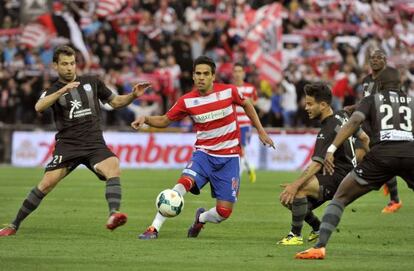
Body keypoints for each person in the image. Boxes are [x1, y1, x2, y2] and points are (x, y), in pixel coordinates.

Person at [0, 45, 151, 237]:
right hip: (68, 145)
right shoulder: (53, 89)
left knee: (113, 165)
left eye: (72, 63)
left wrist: (132, 96)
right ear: (55, 66)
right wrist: (62, 91)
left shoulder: (92, 82)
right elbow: (39, 106)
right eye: (64, 64)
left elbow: (114, 102)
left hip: (94, 143)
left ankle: (113, 214)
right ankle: (13, 225)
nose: (70, 68)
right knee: (46, 184)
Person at [133, 56, 275, 240]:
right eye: (198, 74)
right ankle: (153, 228)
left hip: (229, 159)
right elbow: (164, 120)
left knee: (223, 212)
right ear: (193, 76)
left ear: (213, 76)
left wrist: (261, 131)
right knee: (183, 183)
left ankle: (201, 218)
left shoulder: (229, 92)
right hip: (204, 155)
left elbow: (247, 104)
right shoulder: (186, 101)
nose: (201, 77)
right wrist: (146, 119)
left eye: (205, 74)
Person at [295, 88, 414, 259]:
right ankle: (394, 199)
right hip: (410, 152)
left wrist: (332, 148)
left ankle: (319, 247)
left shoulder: (371, 99)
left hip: (381, 154)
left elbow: (354, 122)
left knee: (340, 197)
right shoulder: (410, 102)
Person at [278, 82, 368, 245]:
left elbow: (317, 164)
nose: (306, 108)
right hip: (344, 175)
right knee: (289, 199)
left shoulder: (327, 129)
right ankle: (317, 228)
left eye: (310, 104)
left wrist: (295, 184)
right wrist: (363, 160)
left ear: (324, 105)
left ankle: (295, 236)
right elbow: (364, 138)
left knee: (298, 189)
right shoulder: (343, 115)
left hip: (338, 178)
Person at [349, 49, 403, 213]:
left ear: (385, 61)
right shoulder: (366, 80)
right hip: (366, 125)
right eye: (372, 58)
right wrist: (352, 108)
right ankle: (387, 184)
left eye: (379, 57)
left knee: (381, 161)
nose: (375, 60)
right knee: (359, 158)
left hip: (381, 126)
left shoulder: (388, 80)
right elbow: (366, 101)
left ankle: (395, 199)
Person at [232, 62, 258, 183]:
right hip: (232, 124)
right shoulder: (230, 88)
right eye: (235, 71)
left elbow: (255, 103)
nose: (237, 74)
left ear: (243, 73)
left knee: (241, 149)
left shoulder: (250, 88)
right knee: (238, 150)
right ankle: (250, 168)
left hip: (245, 124)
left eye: (239, 71)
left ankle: (237, 177)